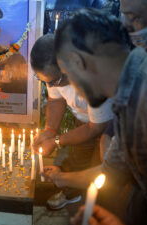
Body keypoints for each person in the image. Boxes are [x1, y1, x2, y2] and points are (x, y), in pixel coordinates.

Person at [54, 8, 147, 225]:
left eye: (67, 75)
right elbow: (113, 172)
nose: (75, 89)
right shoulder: (127, 102)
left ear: (78, 61)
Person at [30, 34, 113, 210]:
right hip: (84, 121)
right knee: (77, 158)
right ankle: (72, 194)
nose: (50, 86)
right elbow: (55, 101)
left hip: (111, 127)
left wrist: (56, 141)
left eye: (53, 81)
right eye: (44, 81)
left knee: (101, 171)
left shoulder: (94, 79)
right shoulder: (52, 74)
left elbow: (96, 127)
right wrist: (50, 131)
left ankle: (99, 207)